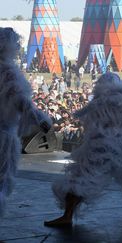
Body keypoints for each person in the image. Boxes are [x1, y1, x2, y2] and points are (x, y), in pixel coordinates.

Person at [44, 73, 122, 227]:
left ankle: (67, 215)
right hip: (121, 146)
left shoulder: (98, 102)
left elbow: (83, 118)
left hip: (100, 147)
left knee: (82, 178)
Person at [0, 28, 52, 217]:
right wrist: (42, 121)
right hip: (4, 135)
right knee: (4, 178)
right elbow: (22, 101)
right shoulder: (9, 73)